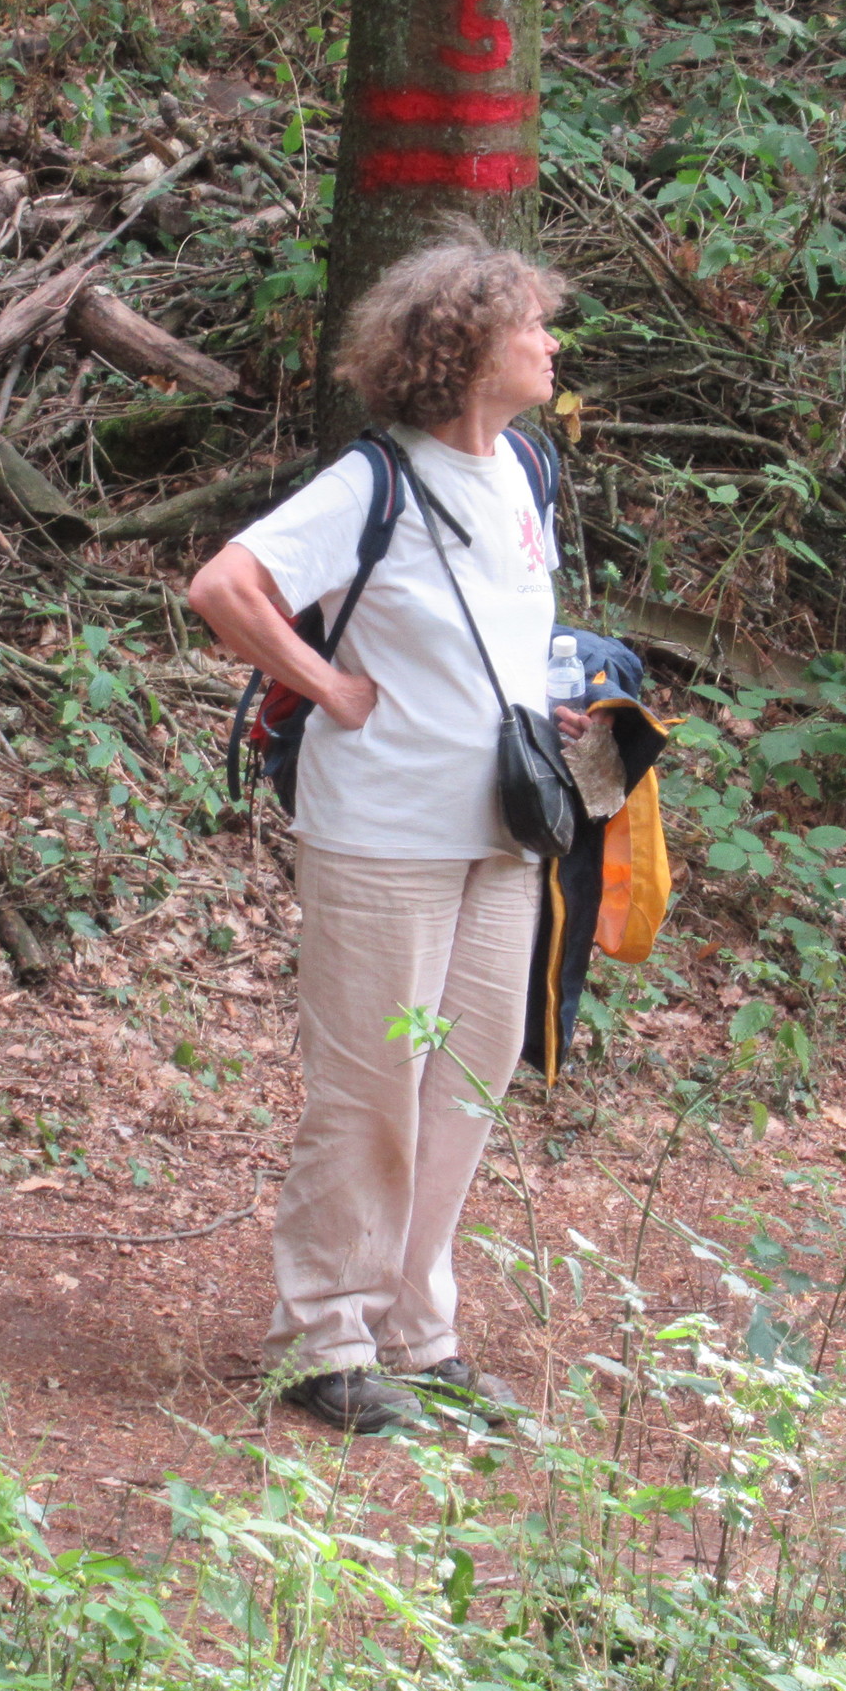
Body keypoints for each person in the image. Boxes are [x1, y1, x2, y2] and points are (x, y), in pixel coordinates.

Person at [187, 224, 584, 1434]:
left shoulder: (526, 470)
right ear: (467, 349)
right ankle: (323, 1341)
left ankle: (416, 1332)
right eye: (531, 325)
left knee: (465, 1083)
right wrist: (333, 685)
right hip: (383, 833)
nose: (551, 342)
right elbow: (225, 587)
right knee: (371, 1091)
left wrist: (554, 705)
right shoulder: (376, 482)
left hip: (502, 830)